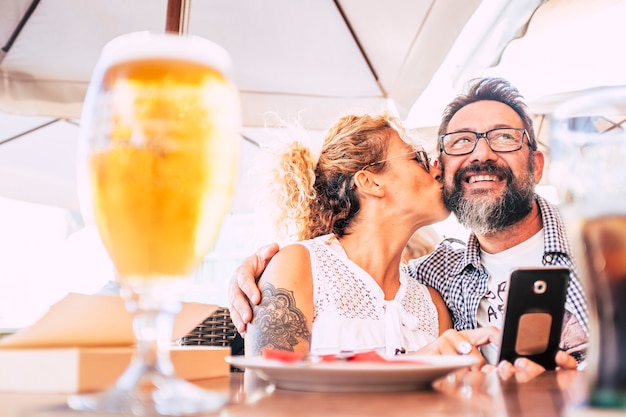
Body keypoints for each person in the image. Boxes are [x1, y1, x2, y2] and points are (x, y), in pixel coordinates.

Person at [229, 77, 587, 372]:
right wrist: (260, 275)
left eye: (504, 137)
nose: (480, 154)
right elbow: (265, 395)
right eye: (460, 143)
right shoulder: (437, 278)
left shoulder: (601, 249)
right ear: (370, 182)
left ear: (537, 166)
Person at [245, 112, 497, 362]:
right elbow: (265, 391)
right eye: (418, 158)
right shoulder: (298, 265)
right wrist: (414, 365)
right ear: (370, 182)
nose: (437, 169)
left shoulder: (433, 304)